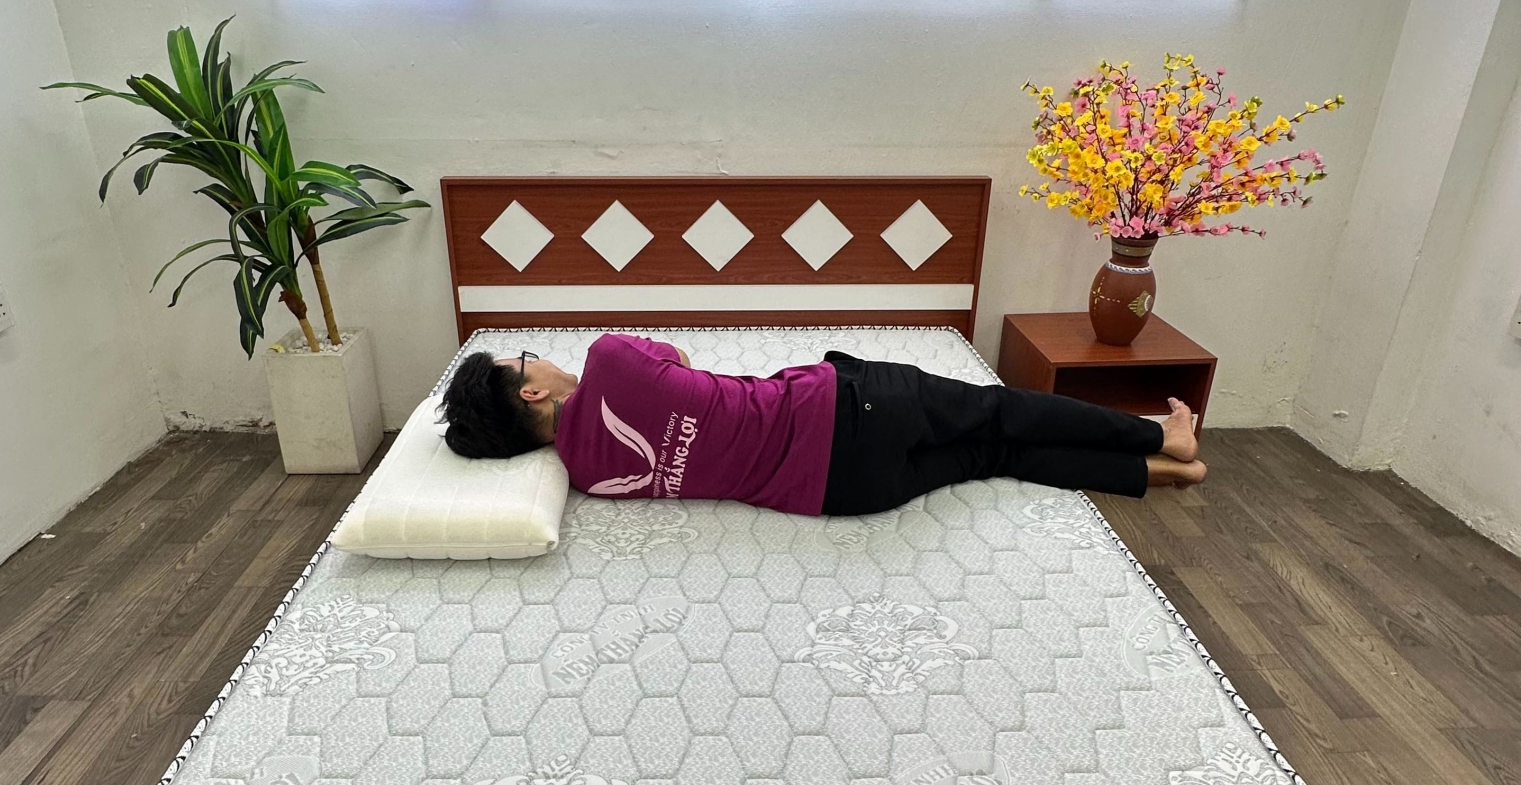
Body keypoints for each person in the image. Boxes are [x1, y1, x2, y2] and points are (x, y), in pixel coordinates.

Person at [439, 334, 1205, 515]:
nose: (543, 358)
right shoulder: (608, 361)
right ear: (532, 390)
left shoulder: (588, 480)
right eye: (527, 359)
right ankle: (1159, 437)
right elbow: (675, 355)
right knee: (998, 409)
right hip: (850, 408)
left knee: (992, 455)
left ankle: (1149, 474)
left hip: (845, 492)